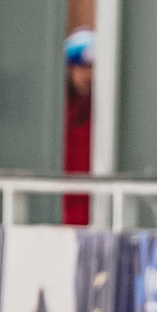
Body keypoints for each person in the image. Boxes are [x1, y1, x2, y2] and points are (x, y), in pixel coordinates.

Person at [62, 29, 94, 227]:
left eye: (92, 67)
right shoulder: (58, 113)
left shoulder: (110, 114)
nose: (88, 74)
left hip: (97, 215)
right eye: (81, 67)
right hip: (62, 216)